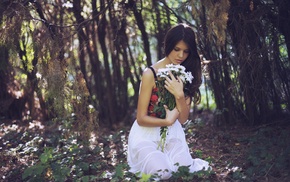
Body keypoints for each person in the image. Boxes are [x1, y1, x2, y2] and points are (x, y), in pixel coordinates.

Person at [127, 23, 210, 180]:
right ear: (168, 46)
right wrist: (166, 121)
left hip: (173, 135)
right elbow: (141, 118)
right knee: (163, 173)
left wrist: (179, 95)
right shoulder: (150, 73)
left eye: (186, 51)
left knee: (183, 170)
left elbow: (183, 119)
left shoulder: (186, 73)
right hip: (146, 135)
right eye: (177, 49)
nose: (181, 56)